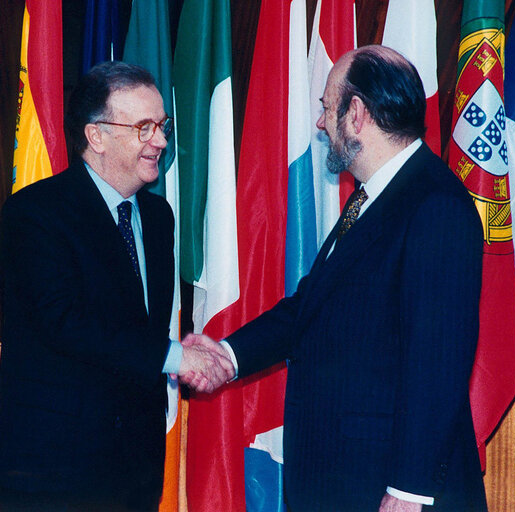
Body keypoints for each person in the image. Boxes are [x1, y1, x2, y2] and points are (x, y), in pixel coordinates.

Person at [182, 45, 487, 511]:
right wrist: (228, 354)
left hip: (390, 486)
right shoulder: (371, 199)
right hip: (345, 478)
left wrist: (409, 490)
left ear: (357, 113)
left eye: (327, 108)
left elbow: (438, 360)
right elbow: (313, 306)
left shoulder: (435, 205)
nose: (321, 124)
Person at [0, 61, 234, 512]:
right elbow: (67, 324)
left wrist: (185, 351)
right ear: (96, 136)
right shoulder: (37, 213)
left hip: (136, 473)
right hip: (57, 477)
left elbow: (136, 329)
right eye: (144, 128)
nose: (161, 141)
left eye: (162, 126)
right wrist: (177, 356)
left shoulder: (159, 218)